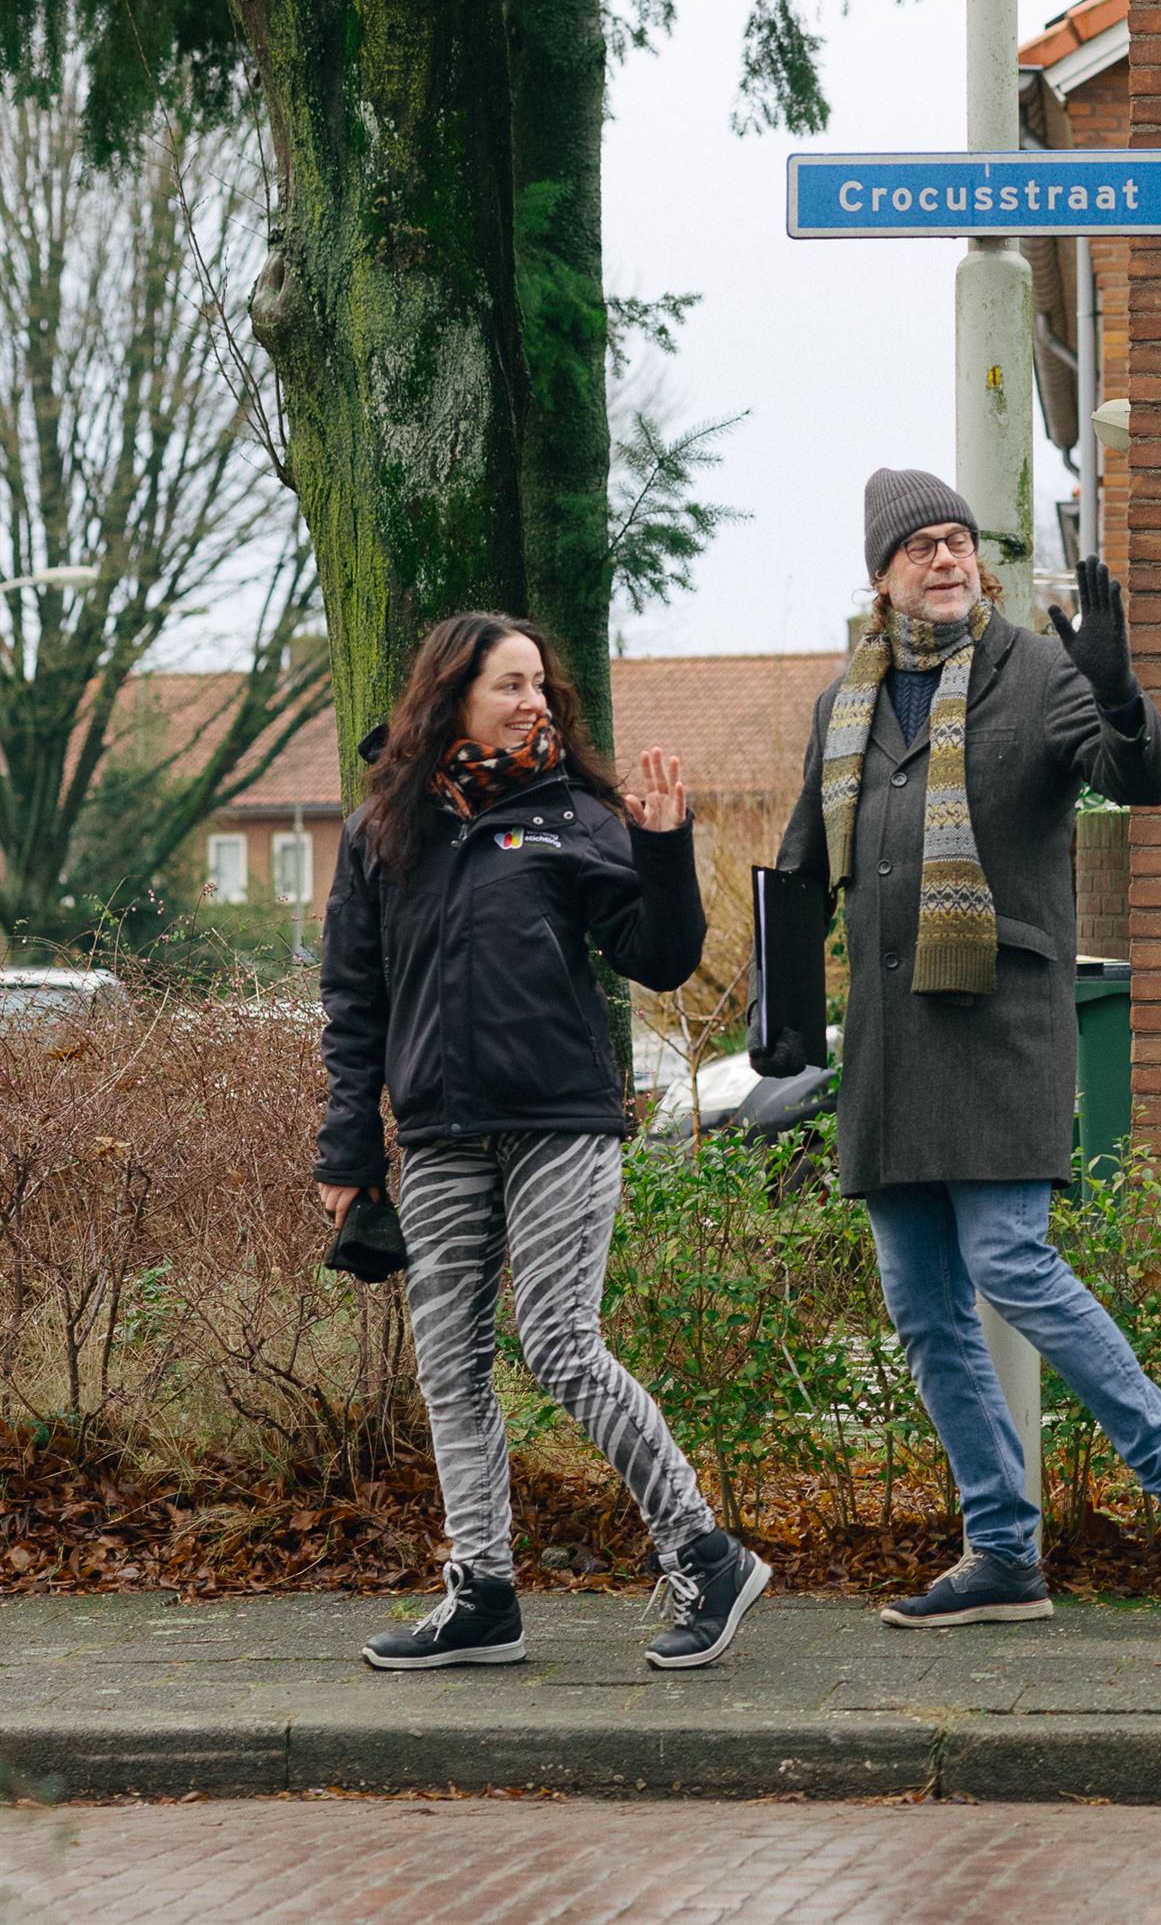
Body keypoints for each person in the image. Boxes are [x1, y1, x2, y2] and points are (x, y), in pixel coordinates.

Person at [761, 469, 1161, 1631]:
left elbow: (1142, 780)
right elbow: (797, 870)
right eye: (919, 546)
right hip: (890, 1046)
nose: (945, 559)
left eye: (959, 542)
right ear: (880, 576)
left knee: (1011, 1263)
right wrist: (777, 1015)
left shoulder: (1036, 674)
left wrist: (1121, 692)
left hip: (996, 1025)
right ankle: (1001, 1552)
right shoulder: (846, 705)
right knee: (922, 1305)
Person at [314, 612, 771, 1673]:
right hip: (437, 1136)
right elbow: (354, 1002)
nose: (533, 703)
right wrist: (348, 1155)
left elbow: (658, 960)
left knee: (560, 1342)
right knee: (451, 1366)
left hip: (561, 1122)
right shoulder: (382, 829)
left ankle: (705, 1555)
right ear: (450, 698)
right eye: (507, 686)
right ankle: (482, 1596)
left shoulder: (574, 815)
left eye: (539, 687)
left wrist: (662, 846)